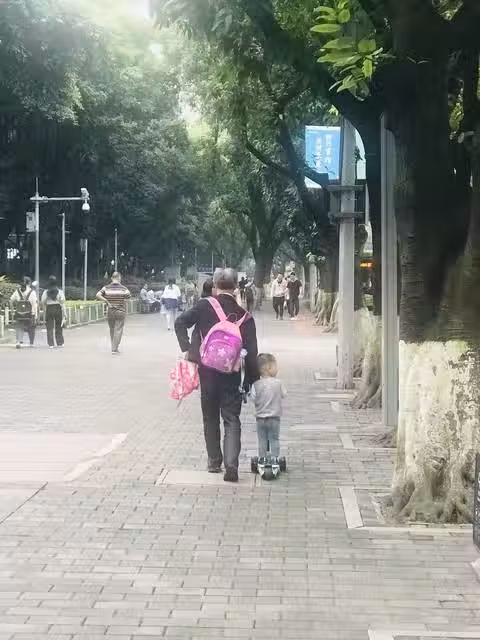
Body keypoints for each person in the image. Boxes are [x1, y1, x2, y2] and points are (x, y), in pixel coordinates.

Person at [175, 268, 259, 483]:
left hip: (207, 372)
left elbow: (180, 322)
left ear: (214, 286)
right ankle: (232, 465)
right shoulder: (245, 316)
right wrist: (251, 381)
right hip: (233, 374)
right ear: (236, 287)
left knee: (210, 416)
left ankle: (214, 461)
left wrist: (188, 350)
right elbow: (252, 354)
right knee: (231, 418)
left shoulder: (204, 306)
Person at [250, 353, 287, 459]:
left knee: (262, 439)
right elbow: (284, 394)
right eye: (276, 367)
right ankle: (275, 459)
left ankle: (262, 458)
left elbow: (252, 397)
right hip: (274, 418)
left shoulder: (256, 384)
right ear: (269, 367)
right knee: (274, 439)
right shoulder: (278, 383)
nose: (277, 369)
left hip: (260, 418)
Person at [96, 272, 131, 354]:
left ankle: (113, 347)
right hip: (120, 311)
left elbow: (97, 295)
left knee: (112, 329)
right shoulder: (124, 289)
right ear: (119, 278)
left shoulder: (106, 288)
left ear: (111, 278)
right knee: (118, 329)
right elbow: (128, 297)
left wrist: (106, 301)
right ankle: (114, 349)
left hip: (110, 310)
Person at [10, 277, 37, 349]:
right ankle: (31, 343)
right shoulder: (32, 292)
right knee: (31, 328)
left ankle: (18, 342)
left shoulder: (17, 291)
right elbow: (34, 304)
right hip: (30, 314)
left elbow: (11, 300)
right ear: (29, 283)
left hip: (19, 313)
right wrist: (35, 315)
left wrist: (12, 311)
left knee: (19, 327)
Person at [41, 276, 66, 349]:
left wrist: (44, 309)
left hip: (49, 308)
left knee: (49, 327)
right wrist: (64, 313)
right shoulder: (60, 291)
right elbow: (63, 302)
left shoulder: (46, 292)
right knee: (59, 326)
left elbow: (42, 301)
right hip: (58, 308)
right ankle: (60, 342)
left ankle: (51, 344)